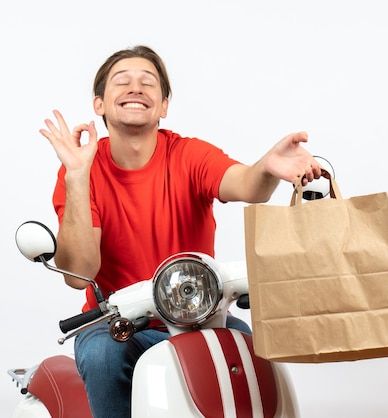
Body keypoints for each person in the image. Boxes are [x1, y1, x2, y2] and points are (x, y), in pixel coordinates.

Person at [39, 45, 322, 418]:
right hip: (117, 322)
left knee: (254, 358)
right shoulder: (80, 172)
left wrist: (267, 168)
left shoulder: (188, 155)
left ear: (164, 105)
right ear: (99, 105)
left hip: (201, 316)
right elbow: (80, 274)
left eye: (148, 83)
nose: (135, 88)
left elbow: (245, 185)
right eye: (122, 82)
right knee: (103, 357)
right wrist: (77, 176)